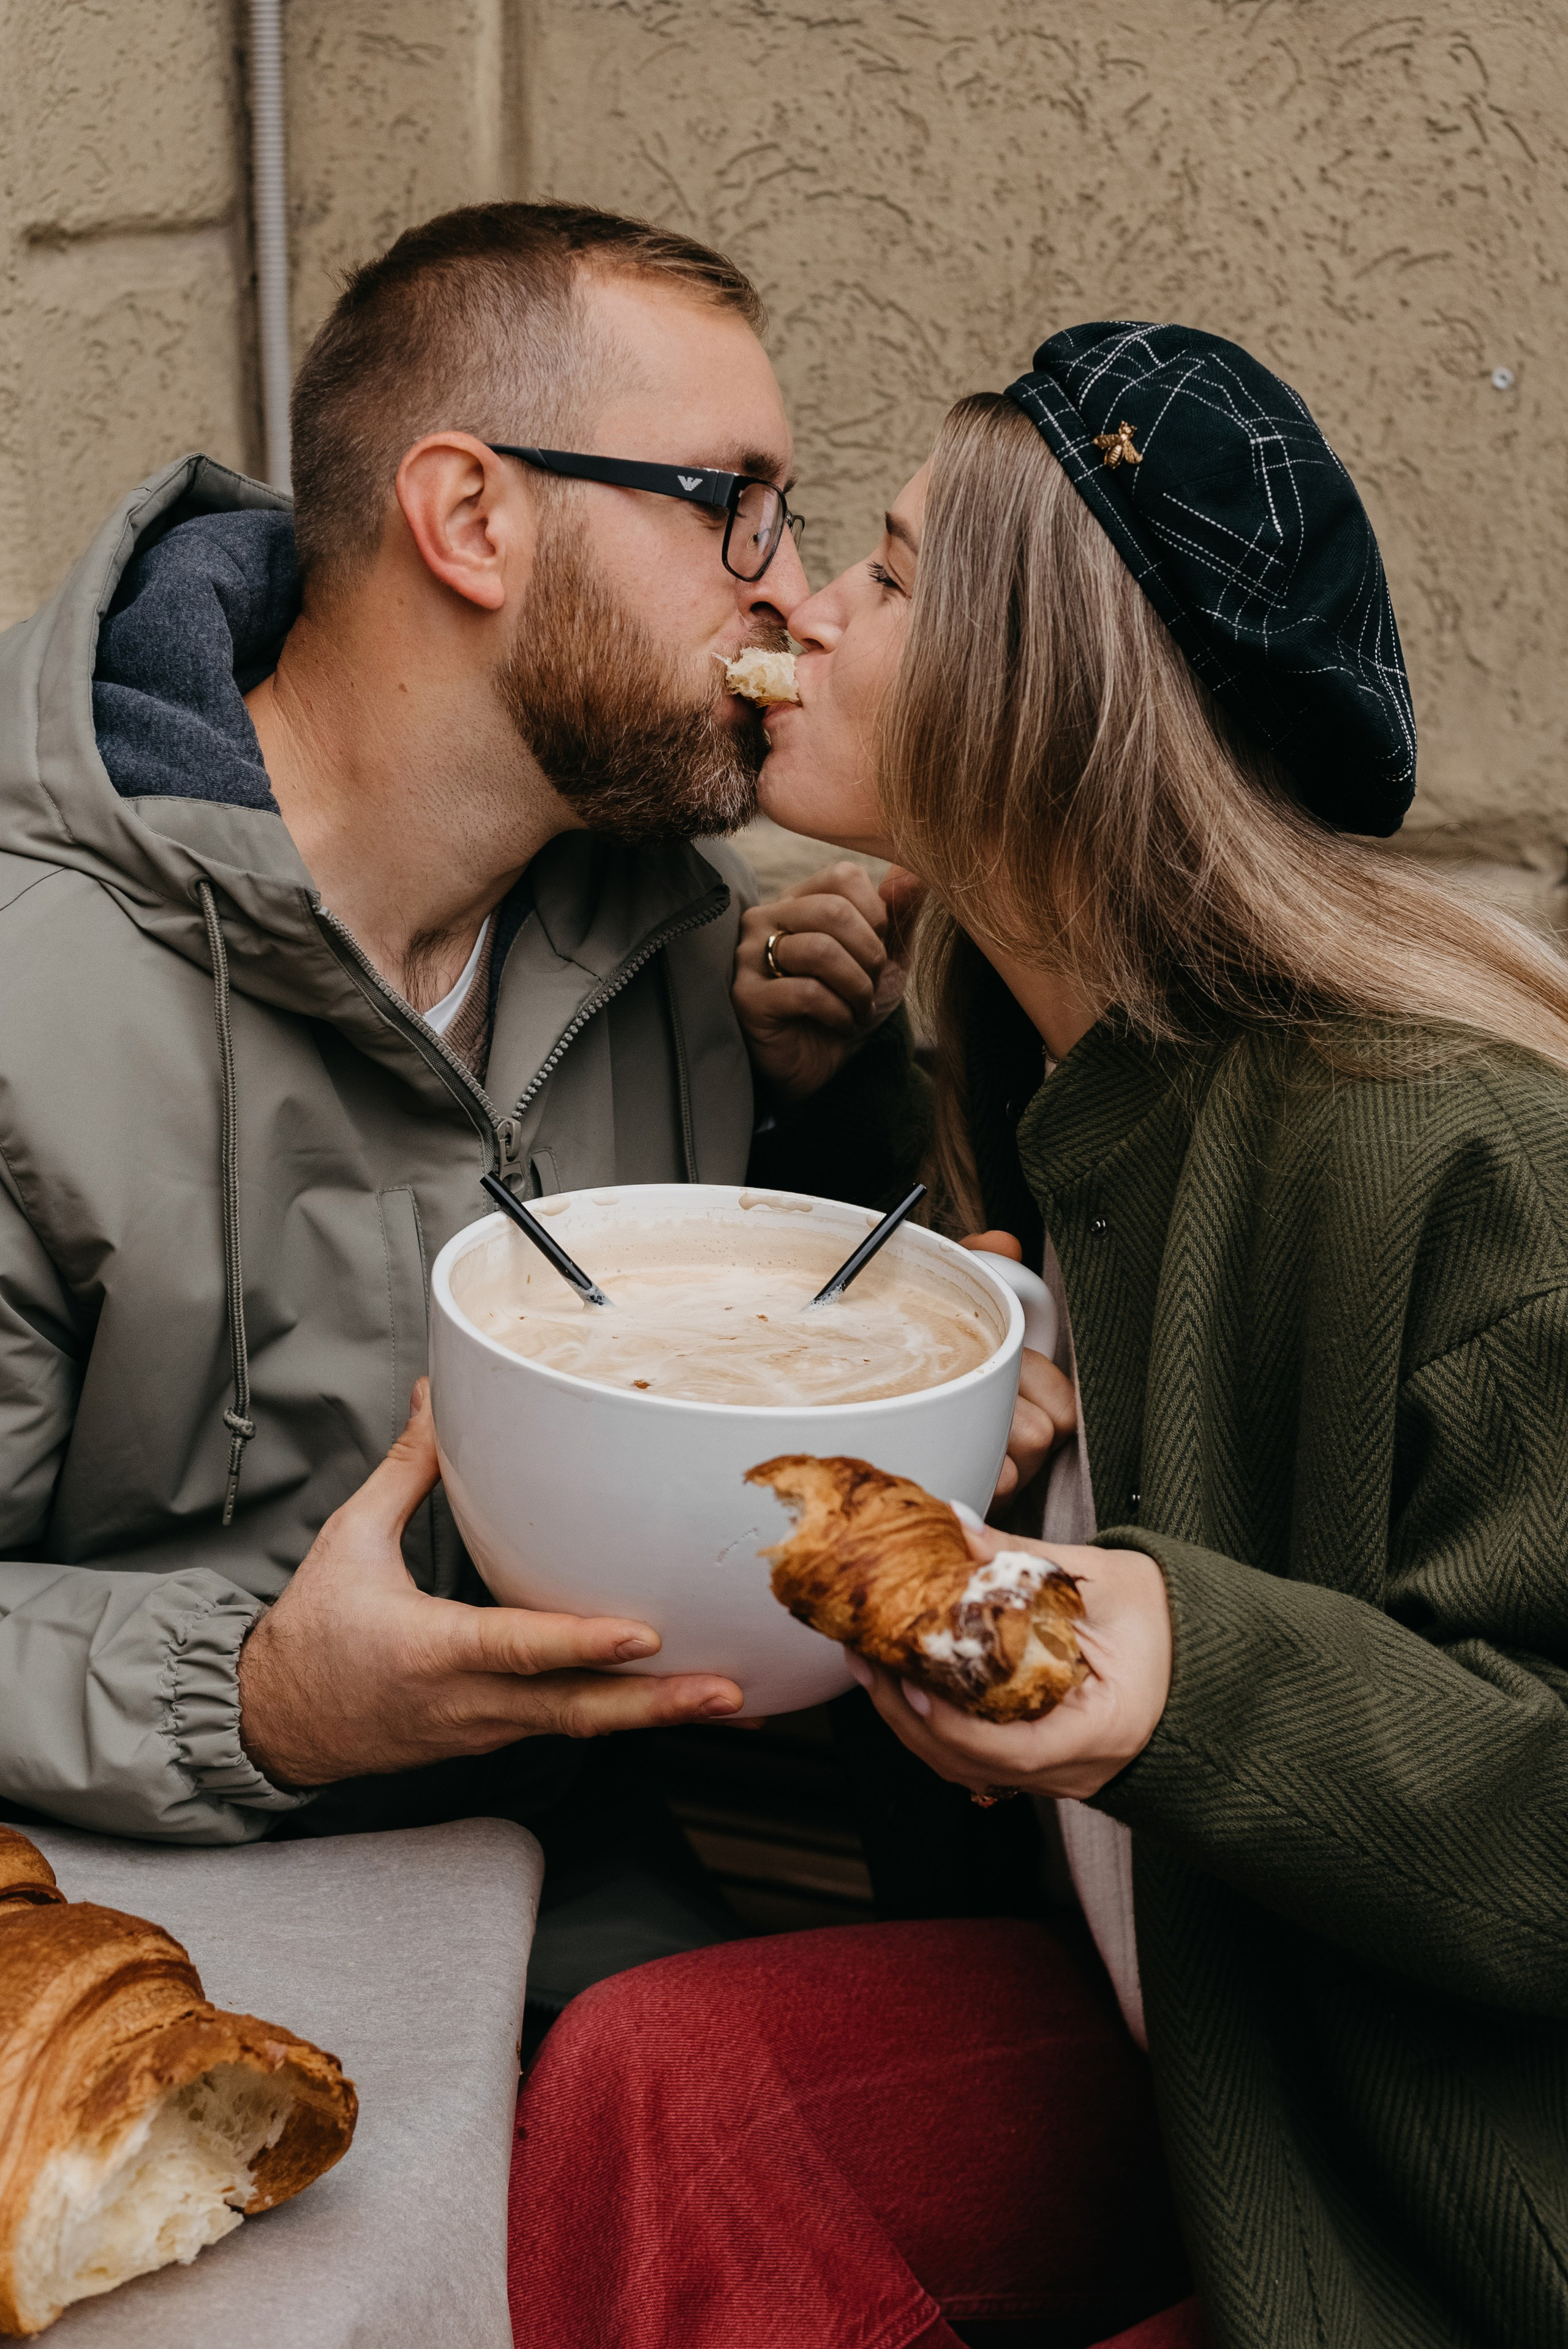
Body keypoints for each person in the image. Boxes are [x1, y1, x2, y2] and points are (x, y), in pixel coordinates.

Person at [510, 323, 1568, 2349]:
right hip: (1183, 2039)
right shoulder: (1009, 1084)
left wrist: (1194, 1668)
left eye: (889, 573)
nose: (803, 601)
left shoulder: (1471, 1159)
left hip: (1430, 2198)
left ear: (1039, 689)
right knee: (673, 2088)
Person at [0, 197, 971, 1927]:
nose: (792, 585)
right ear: (470, 517)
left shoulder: (667, 932)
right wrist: (260, 1702)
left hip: (567, 1868)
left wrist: (816, 1102)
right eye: (731, 503)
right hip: (123, 1904)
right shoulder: (31, 989)